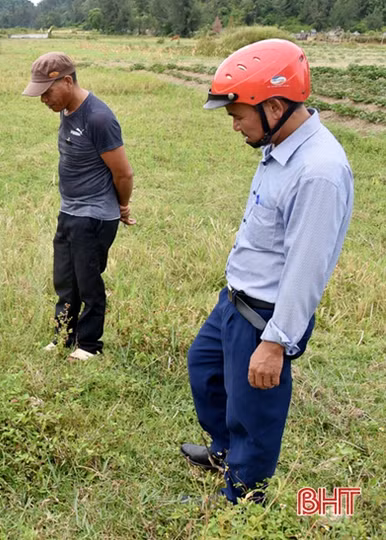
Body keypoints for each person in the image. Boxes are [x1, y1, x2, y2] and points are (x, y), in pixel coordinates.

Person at [182, 39, 354, 503]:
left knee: (253, 410)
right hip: (235, 299)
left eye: (237, 114)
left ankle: (243, 496)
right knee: (205, 373)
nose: (234, 125)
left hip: (266, 314)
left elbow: (307, 268)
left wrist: (276, 342)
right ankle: (224, 452)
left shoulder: (318, 170)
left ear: (274, 105)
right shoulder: (280, 144)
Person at [22, 51, 135, 361]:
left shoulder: (98, 118)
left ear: (67, 81)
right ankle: (64, 336)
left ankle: (89, 345)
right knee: (65, 280)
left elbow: (123, 172)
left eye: (47, 92)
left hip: (94, 216)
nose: (43, 99)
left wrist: (122, 206)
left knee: (88, 283)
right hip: (70, 210)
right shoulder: (67, 108)